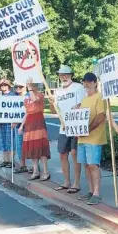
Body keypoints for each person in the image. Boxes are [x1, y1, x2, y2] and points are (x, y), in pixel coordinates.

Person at [49, 65, 86, 194]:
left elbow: (82, 104)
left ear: (71, 75)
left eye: (66, 74)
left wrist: (74, 112)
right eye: (61, 75)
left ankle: (76, 183)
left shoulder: (78, 87)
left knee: (75, 154)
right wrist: (51, 102)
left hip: (75, 126)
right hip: (63, 128)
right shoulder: (57, 91)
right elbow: (54, 111)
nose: (64, 77)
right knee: (62, 154)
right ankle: (66, 181)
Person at [77, 72, 107, 205]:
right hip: (82, 139)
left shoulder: (99, 97)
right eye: (85, 81)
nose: (87, 83)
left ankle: (96, 193)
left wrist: (87, 129)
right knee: (86, 165)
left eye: (89, 81)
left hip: (94, 138)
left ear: (95, 83)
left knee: (93, 165)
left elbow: (101, 116)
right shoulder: (84, 99)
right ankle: (90, 191)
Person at [18, 79, 51, 181]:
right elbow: (27, 112)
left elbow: (36, 99)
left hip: (38, 122)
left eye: (32, 85)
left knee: (41, 147)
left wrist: (31, 89)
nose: (30, 87)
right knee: (32, 148)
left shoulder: (40, 95)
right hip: (30, 123)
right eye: (29, 85)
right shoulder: (27, 98)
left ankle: (45, 171)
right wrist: (21, 125)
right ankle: (35, 171)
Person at [0, 78, 16, 168]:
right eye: (1, 85)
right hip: (1, 122)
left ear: (8, 85)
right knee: (3, 141)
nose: (3, 86)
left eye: (5, 85)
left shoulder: (13, 95)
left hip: (10, 122)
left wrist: (14, 120)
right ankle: (5, 160)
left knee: (10, 141)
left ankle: (11, 161)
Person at [13, 81, 29, 174]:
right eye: (17, 87)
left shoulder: (28, 96)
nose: (18, 89)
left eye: (20, 87)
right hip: (18, 125)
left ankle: (36, 167)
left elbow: (29, 111)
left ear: (25, 87)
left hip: (28, 124)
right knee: (19, 146)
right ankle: (23, 165)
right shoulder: (14, 98)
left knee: (31, 146)